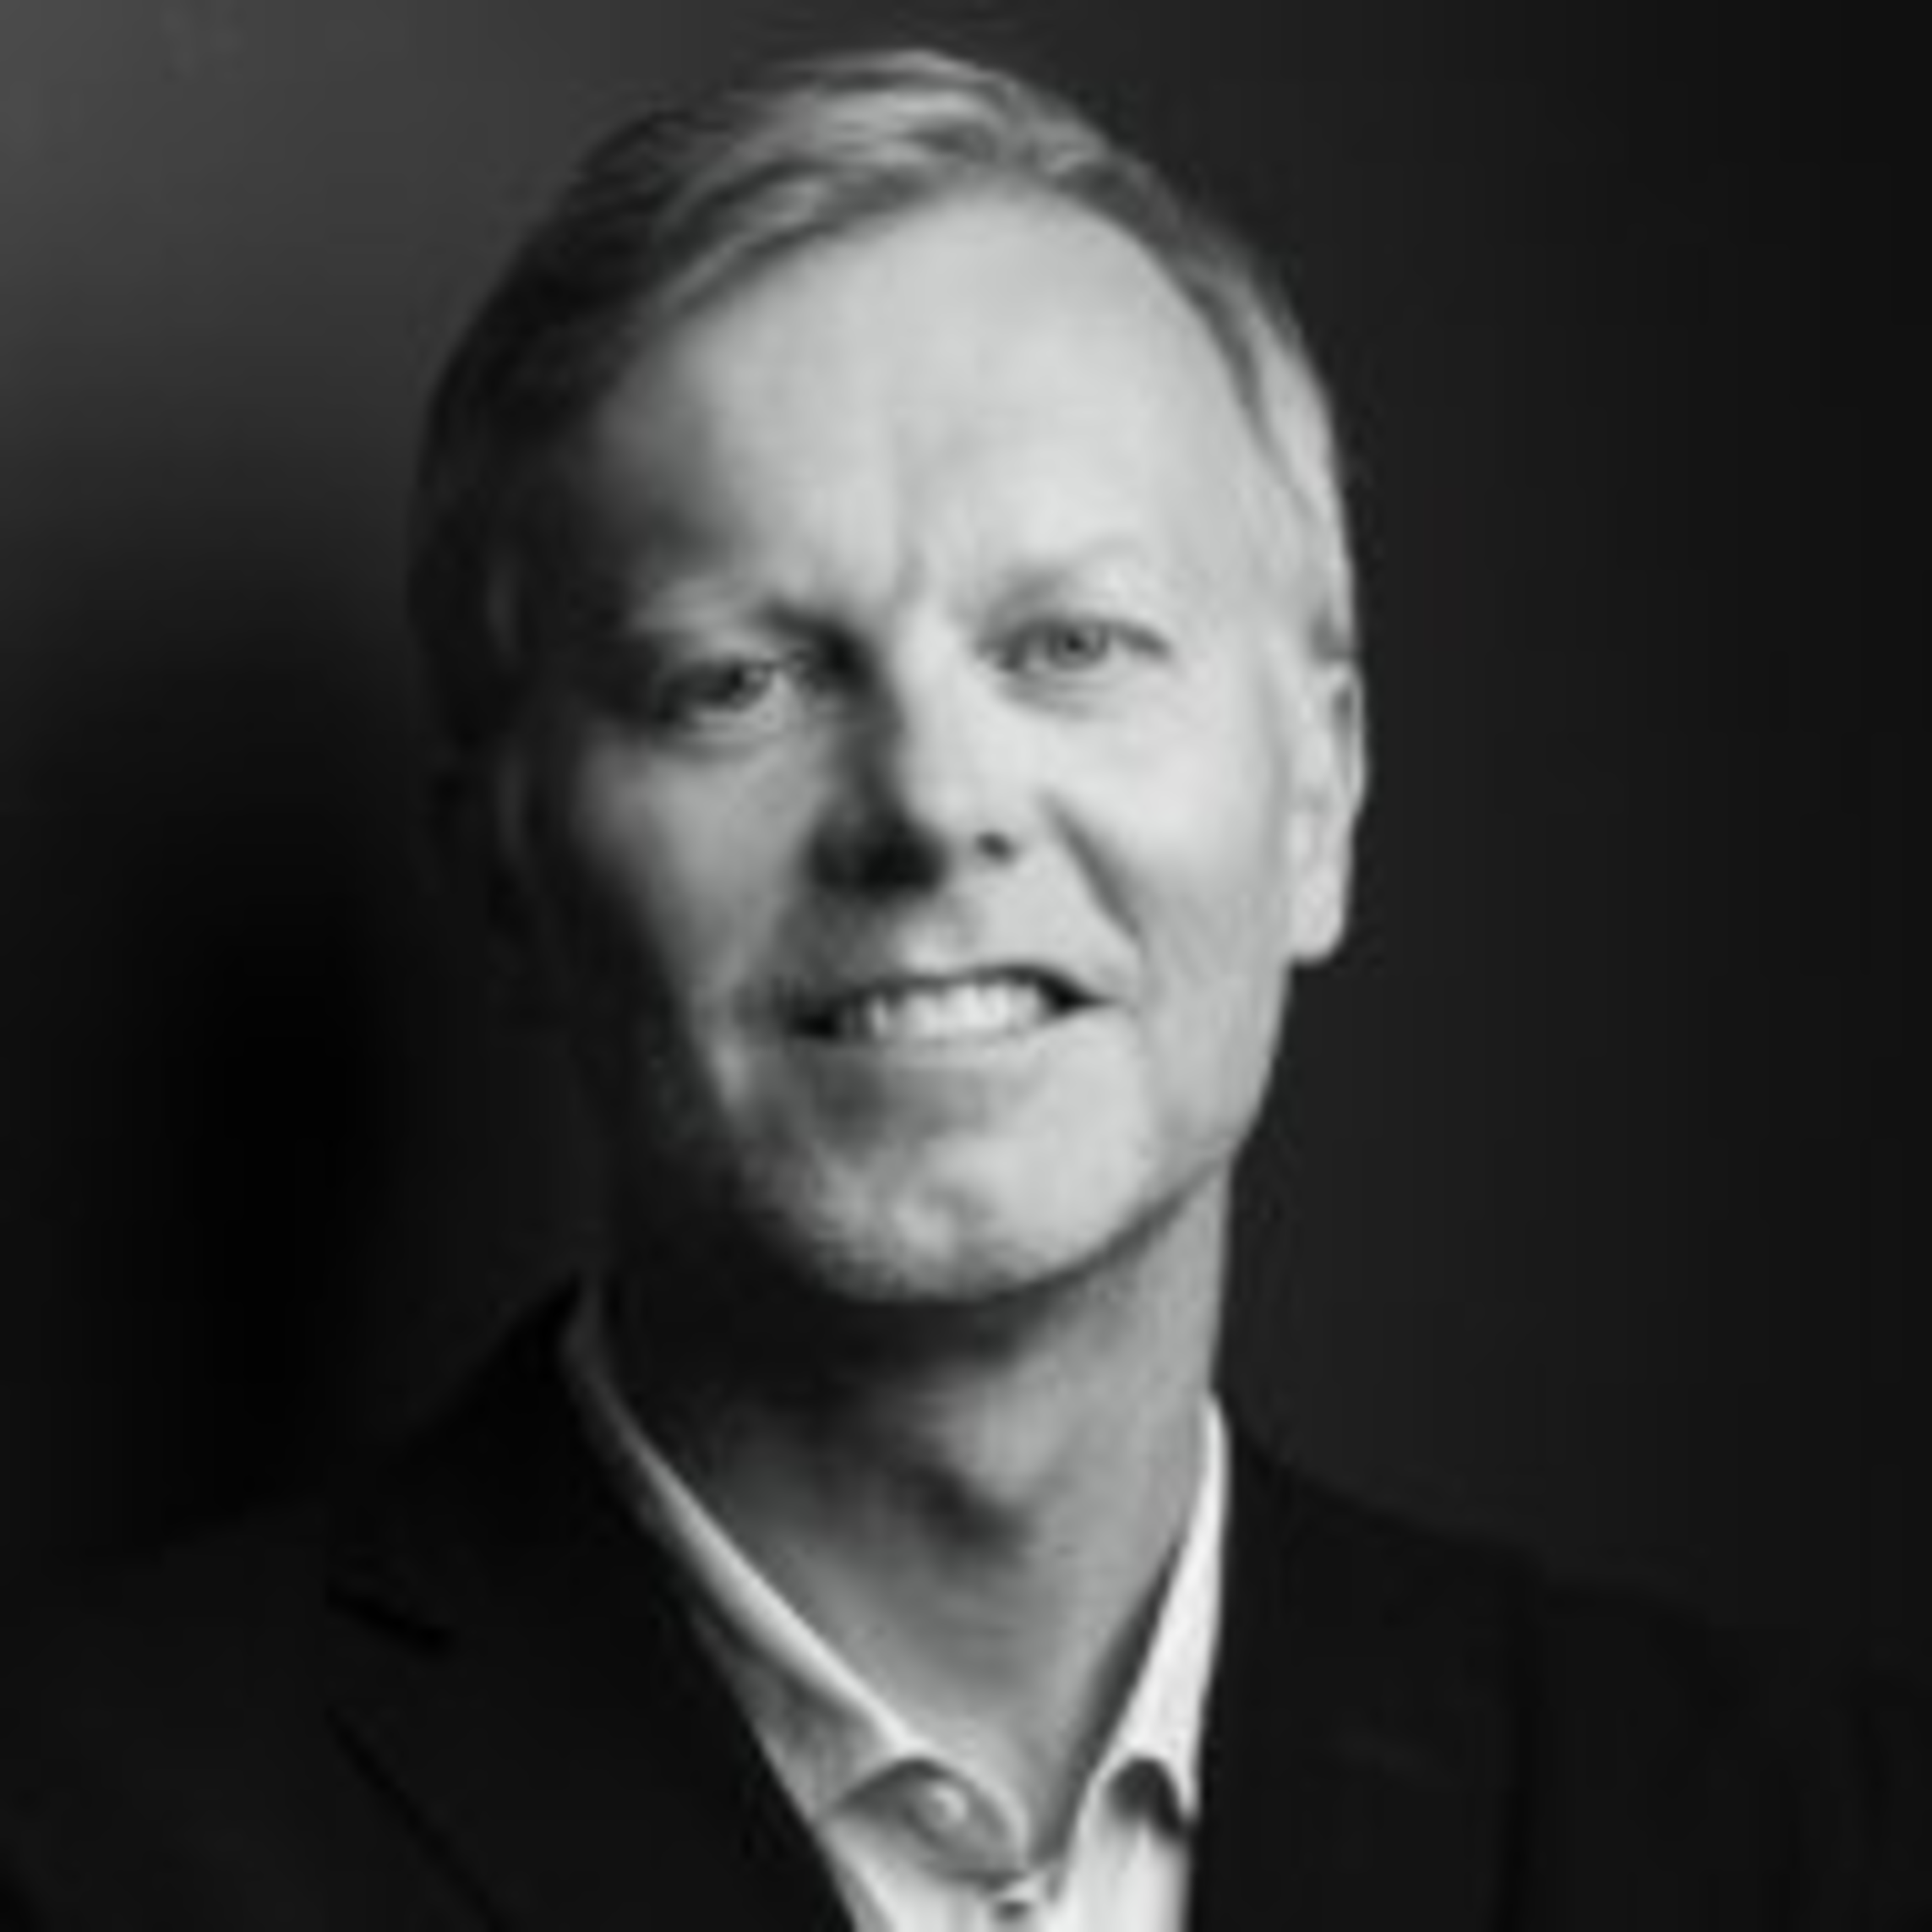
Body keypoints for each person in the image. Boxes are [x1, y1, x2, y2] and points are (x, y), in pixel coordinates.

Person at [0, 43, 1923, 1932]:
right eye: (738, 682)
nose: (929, 804)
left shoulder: (1810, 1842)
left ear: (1319, 796)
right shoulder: (80, 1842)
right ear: (506, 882)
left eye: (1071, 644)